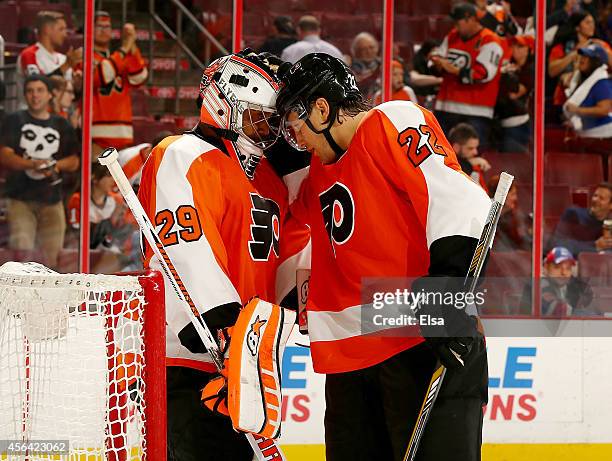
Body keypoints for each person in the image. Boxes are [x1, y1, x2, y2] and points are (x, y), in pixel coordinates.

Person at [275, 53, 491, 461]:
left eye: (296, 124)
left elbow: (456, 198)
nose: (296, 139)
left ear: (323, 109)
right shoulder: (320, 169)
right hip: (349, 360)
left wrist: (446, 294)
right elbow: (281, 215)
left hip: (419, 341)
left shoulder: (390, 121)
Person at [138, 50, 308, 460]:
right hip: (190, 357)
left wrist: (287, 312)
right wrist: (223, 320)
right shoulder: (181, 153)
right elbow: (183, 245)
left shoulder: (269, 178)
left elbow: (294, 246)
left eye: (273, 122)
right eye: (258, 117)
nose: (267, 132)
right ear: (221, 105)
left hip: (247, 360)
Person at [0, 75, 79, 269]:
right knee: (22, 253)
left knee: (53, 257)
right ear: (25, 95)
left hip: (52, 199)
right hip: (20, 199)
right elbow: (5, 156)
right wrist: (32, 165)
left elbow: (74, 161)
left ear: (50, 94)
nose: (35, 95)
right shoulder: (14, 120)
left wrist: (55, 166)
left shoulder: (62, 125)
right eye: (30, 91)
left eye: (40, 90)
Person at [431, 3, 504, 148]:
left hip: (475, 111)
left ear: (470, 19)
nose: (456, 27)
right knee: (439, 154)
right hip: (445, 107)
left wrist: (453, 70)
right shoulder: (452, 35)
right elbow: (438, 55)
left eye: (458, 23)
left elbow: (483, 74)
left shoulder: (491, 40)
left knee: (470, 156)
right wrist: (436, 61)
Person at [90, 11, 148, 151]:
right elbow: (99, 77)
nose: (104, 30)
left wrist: (131, 43)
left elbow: (139, 77)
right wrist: (125, 47)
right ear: (89, 29)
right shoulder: (83, 55)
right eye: (99, 26)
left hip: (123, 134)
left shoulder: (118, 56)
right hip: (95, 134)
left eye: (107, 27)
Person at [17, 11, 83, 107]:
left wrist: (77, 85)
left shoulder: (63, 58)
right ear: (47, 30)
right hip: (31, 116)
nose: (65, 34)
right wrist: (66, 66)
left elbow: (72, 96)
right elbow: (36, 86)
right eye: (61, 29)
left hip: (59, 117)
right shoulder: (29, 55)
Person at [520, 247, 593, 317]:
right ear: (546, 268)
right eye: (557, 267)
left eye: (568, 268)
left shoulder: (576, 286)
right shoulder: (536, 286)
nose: (563, 273)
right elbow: (557, 309)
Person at [495, 34, 535, 153]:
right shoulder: (508, 66)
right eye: (514, 46)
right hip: (502, 118)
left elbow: (515, 93)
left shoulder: (531, 69)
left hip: (519, 122)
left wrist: (506, 76)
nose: (515, 49)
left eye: (520, 46)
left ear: (529, 50)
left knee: (513, 157)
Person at [563, 43, 612, 140]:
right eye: (582, 56)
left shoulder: (601, 83)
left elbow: (604, 110)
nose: (582, 60)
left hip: (603, 137)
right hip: (589, 135)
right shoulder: (584, 81)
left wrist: (577, 110)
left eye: (587, 57)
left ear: (596, 62)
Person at [548, 182, 612, 255]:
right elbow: (556, 244)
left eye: (601, 198)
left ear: (610, 205)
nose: (595, 200)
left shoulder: (609, 225)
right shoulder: (573, 214)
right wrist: (594, 245)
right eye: (595, 196)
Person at [487, 174, 531, 251]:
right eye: (513, 194)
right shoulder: (486, 218)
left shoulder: (512, 218)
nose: (515, 198)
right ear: (502, 195)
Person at [448, 122, 490, 192]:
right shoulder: (443, 161)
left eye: (476, 148)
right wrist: (469, 163)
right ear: (456, 147)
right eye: (470, 148)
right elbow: (454, 177)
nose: (475, 152)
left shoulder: (474, 165)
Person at [350, 32, 381, 99]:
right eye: (364, 49)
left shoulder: (385, 65)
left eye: (371, 47)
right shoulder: (349, 69)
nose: (369, 52)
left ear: (377, 48)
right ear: (356, 52)